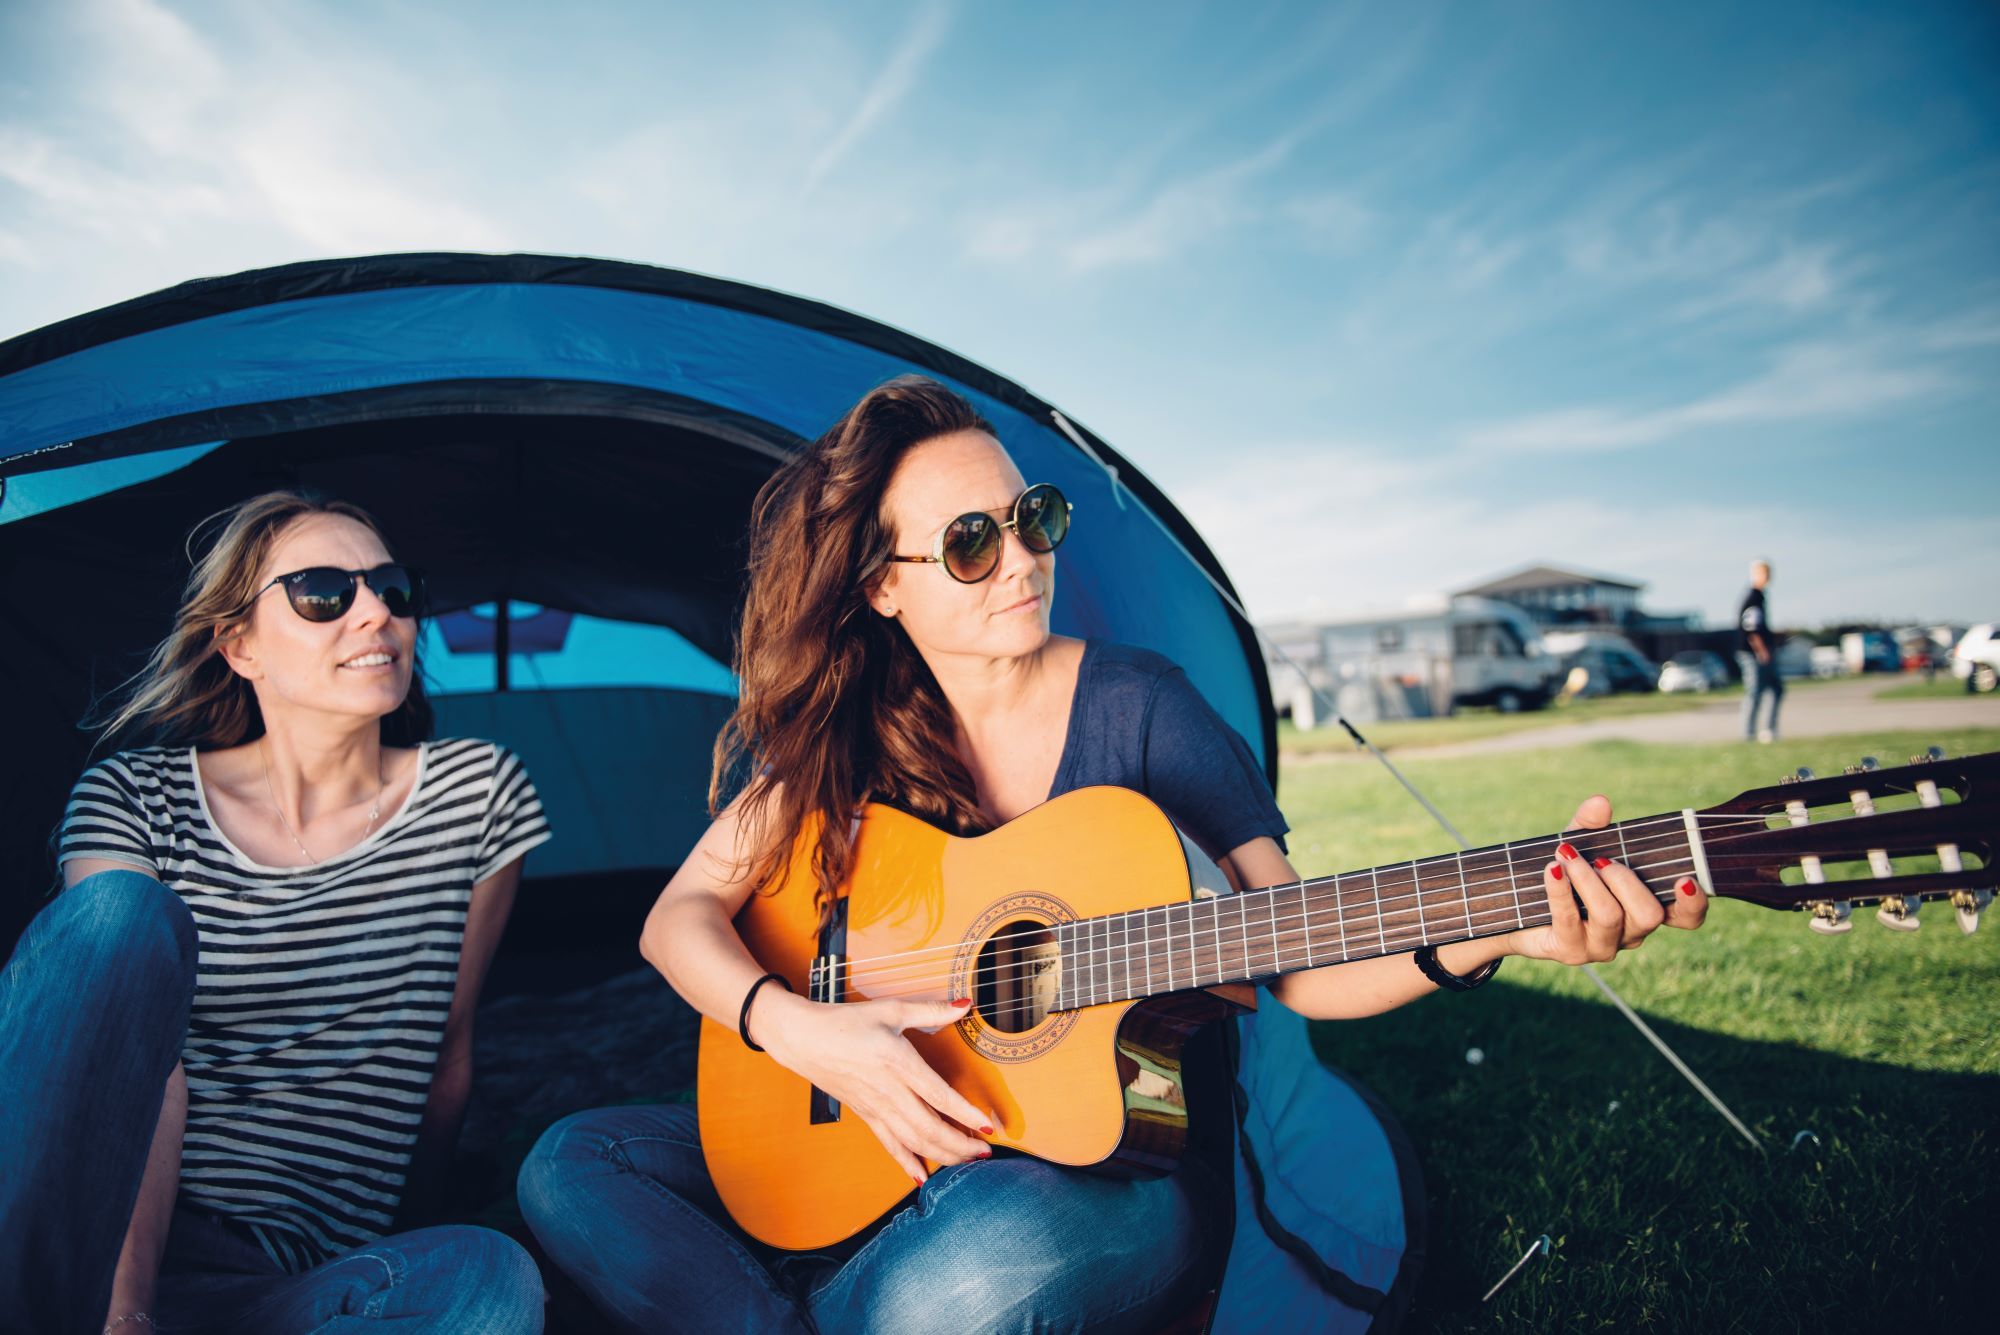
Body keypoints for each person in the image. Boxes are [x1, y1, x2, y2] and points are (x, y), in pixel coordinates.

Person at [517, 376, 1708, 1333]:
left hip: (1104, 1173)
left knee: (982, 1279)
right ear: (882, 586)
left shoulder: (1142, 708)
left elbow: (1295, 959)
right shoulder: (846, 742)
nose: (1026, 560)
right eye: (972, 544)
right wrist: (799, 1026)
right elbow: (674, 919)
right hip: (854, 1119)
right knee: (575, 1164)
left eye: (1032, 519)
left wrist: (1495, 923)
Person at [0, 490, 551, 1334]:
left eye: (392, 589)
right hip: (93, 1228)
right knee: (122, 916)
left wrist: (407, 1240)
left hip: (289, 1278)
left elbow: (448, 1054)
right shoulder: (133, 795)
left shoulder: (476, 793)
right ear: (239, 645)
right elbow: (141, 1067)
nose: (375, 613)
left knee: (488, 1276)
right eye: (324, 592)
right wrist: (126, 1312)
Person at [1737, 559, 1783, 743]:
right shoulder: (1753, 597)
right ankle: (1748, 734)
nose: (1768, 577)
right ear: (1755, 575)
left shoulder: (1761, 596)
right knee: (1754, 692)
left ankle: (1769, 730)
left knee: (1777, 689)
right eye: (1764, 573)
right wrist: (1762, 651)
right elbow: (1751, 628)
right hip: (1753, 653)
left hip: (1764, 650)